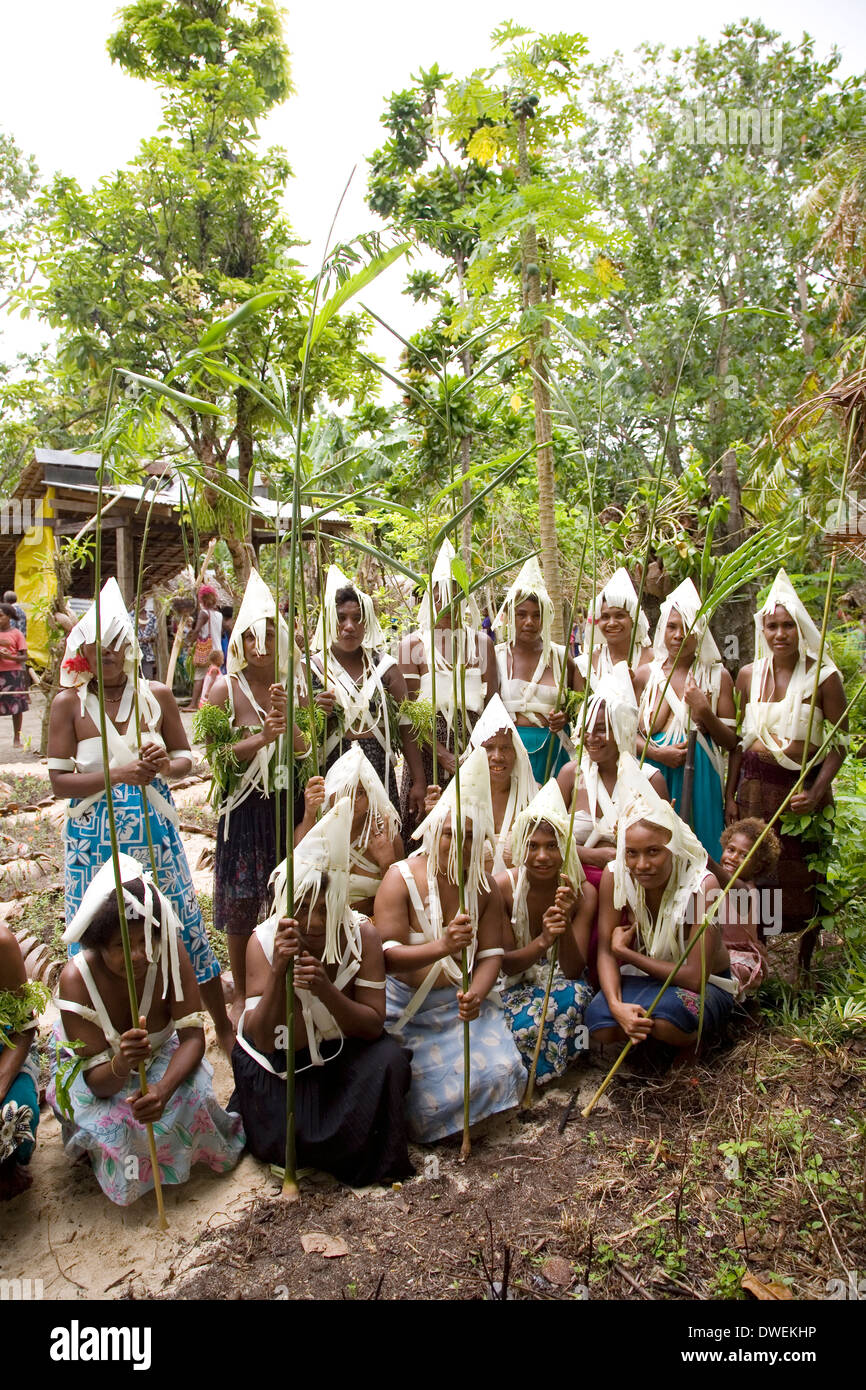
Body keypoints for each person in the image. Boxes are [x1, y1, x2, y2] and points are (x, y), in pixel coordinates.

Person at [47, 578, 234, 1054]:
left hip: (154, 833)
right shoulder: (68, 704)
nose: (107, 656)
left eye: (115, 646)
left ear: (130, 647)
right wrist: (117, 774)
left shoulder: (156, 695)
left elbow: (185, 759)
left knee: (178, 921)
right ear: (82, 651)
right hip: (94, 840)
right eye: (96, 648)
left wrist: (159, 765)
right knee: (105, 930)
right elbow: (59, 783)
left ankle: (220, 1026)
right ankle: (101, 1040)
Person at [230, 798, 414, 1187]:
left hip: (342, 1052)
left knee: (390, 1060)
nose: (313, 923)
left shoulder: (362, 934)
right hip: (282, 1063)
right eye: (302, 908)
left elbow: (371, 1026)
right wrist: (281, 971)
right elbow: (260, 1037)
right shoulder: (262, 943)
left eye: (324, 910)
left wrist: (326, 991)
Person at [48, 855, 244, 1206]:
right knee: (118, 1127)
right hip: (101, 1074)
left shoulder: (169, 953)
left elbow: (192, 1039)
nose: (138, 955)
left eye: (145, 941)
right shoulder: (77, 981)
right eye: (121, 946)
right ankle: (108, 1164)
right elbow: (98, 1083)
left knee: (195, 1098)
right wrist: (121, 1063)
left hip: (158, 1060)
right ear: (97, 945)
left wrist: (162, 1090)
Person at [375, 746, 524, 1143]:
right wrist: (441, 946)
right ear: (434, 832)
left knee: (503, 1072)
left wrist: (476, 993)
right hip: (410, 1008)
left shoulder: (484, 885)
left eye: (470, 837)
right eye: (449, 834)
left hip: (460, 1009)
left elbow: (492, 954)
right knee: (428, 1104)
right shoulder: (399, 879)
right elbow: (386, 957)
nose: (458, 844)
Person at [202, 569, 315, 1010]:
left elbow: (307, 753)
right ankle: (245, 993)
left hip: (286, 807)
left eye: (268, 634)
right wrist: (262, 738)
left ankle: (285, 981)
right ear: (240, 644)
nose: (260, 645)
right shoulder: (222, 692)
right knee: (242, 901)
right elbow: (217, 759)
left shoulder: (297, 688)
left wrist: (289, 724)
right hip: (244, 813)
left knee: (288, 893)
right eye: (251, 637)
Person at [726, 569, 848, 970]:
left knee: (802, 874)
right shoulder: (747, 675)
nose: (780, 633)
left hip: (799, 793)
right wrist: (731, 794)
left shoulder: (824, 678)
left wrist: (816, 793)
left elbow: (840, 743)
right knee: (754, 871)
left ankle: (804, 960)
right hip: (755, 791)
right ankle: (756, 953)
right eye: (772, 625)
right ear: (762, 629)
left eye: (788, 625)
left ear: (801, 628)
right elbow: (741, 745)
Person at [586, 776, 736, 1057]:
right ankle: (646, 1032)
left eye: (653, 852)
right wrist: (617, 1007)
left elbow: (694, 978)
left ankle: (691, 1043)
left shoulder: (703, 886)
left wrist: (627, 954)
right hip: (647, 979)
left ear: (673, 846)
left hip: (707, 984)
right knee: (600, 1025)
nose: (641, 865)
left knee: (666, 1022)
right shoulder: (615, 875)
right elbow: (606, 952)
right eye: (631, 853)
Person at [397, 539, 498, 842]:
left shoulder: (482, 644)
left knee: (469, 835)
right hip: (427, 755)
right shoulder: (412, 646)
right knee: (428, 836)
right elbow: (408, 717)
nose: (447, 604)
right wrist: (436, 758)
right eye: (439, 596)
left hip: (474, 751)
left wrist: (473, 754)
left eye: (455, 596)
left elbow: (494, 708)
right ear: (430, 599)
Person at [497, 779, 596, 1084]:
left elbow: (573, 969)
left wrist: (563, 925)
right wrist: (542, 940)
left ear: (565, 849)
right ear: (519, 847)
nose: (542, 856)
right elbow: (506, 963)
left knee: (578, 997)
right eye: (533, 846)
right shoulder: (503, 889)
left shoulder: (582, 893)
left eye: (552, 846)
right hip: (511, 983)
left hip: (560, 984)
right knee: (523, 1021)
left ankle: (559, 1064)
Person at [310, 564, 426, 817]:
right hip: (331, 767)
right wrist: (313, 712)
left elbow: (406, 727)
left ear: (367, 622)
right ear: (330, 621)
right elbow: (297, 734)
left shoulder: (386, 668)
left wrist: (419, 780)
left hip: (378, 768)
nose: (349, 626)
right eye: (341, 618)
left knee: (381, 841)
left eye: (357, 618)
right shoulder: (313, 669)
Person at [635, 578, 737, 860]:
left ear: (700, 631)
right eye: (672, 626)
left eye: (688, 627)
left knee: (701, 846)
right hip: (654, 772)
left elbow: (732, 743)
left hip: (702, 772)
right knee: (656, 847)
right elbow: (624, 734)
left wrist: (704, 710)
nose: (679, 635)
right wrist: (657, 752)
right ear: (662, 630)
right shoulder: (645, 675)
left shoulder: (718, 677)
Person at [559, 664, 669, 890]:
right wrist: (589, 855)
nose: (591, 738)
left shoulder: (650, 779)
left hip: (632, 887)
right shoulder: (571, 774)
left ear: (621, 729)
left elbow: (664, 846)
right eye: (586, 729)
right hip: (574, 884)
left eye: (601, 729)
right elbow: (544, 838)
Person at [494, 556, 580, 781]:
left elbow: (583, 705)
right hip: (508, 754)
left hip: (553, 751)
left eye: (536, 615)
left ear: (546, 618)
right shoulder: (497, 657)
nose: (529, 622)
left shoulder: (562, 658)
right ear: (510, 617)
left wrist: (566, 716)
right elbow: (487, 710)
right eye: (521, 615)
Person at [297, 742, 404, 916]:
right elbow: (299, 876)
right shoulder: (315, 829)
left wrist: (386, 863)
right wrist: (309, 814)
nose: (352, 800)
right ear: (330, 793)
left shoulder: (387, 836)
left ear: (371, 797)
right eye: (345, 790)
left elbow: (399, 899)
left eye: (360, 792)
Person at [711, 818, 781, 998]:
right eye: (731, 850)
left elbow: (731, 887)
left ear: (758, 866)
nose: (733, 858)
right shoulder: (714, 881)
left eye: (744, 855)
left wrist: (704, 858)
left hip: (738, 959)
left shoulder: (745, 891)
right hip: (715, 951)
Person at [0, 926, 41, 1200]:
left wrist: (0, 1086)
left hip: (7, 1054)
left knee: (14, 1116)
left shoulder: (1, 945)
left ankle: (5, 1167)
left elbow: (24, 1027)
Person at [577, 568, 652, 690]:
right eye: (605, 617)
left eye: (620, 616)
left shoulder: (654, 660)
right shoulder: (587, 664)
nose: (612, 623)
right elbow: (578, 708)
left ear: (633, 619)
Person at [188, 584, 223, 709]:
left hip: (207, 651)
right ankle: (212, 702)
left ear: (202, 599)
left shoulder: (203, 613)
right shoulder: (219, 615)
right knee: (213, 677)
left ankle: (193, 704)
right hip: (218, 650)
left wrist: (189, 643)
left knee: (200, 677)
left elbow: (197, 631)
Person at [0, 602, 29, 747]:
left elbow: (24, 657)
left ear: (9, 617)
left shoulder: (16, 634)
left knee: (16, 707)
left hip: (13, 674)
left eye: (1, 616)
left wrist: (10, 658)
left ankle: (17, 738)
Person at [131, 602, 158, 681]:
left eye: (142, 600)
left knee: (148, 679)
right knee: (135, 679)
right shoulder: (130, 617)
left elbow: (155, 633)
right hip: (134, 653)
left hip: (148, 654)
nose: (140, 603)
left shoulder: (152, 617)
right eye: (136, 601)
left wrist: (150, 638)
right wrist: (138, 640)